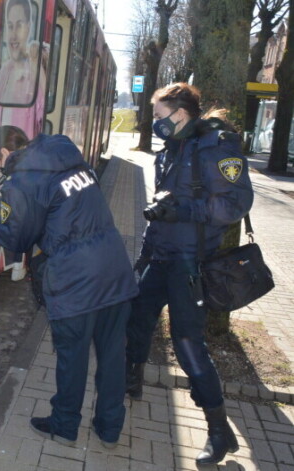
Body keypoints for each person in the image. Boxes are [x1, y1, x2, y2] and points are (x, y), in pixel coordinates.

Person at [0, 126, 138, 448]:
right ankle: (109, 427)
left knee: (72, 358)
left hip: (76, 282)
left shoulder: (25, 180)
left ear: (4, 154)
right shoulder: (71, 161)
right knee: (113, 356)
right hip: (115, 271)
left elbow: (17, 238)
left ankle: (64, 425)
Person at [125, 83, 254, 465]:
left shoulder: (216, 147)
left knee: (187, 344)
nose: (156, 123)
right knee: (136, 318)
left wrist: (183, 211)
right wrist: (143, 256)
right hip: (161, 256)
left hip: (191, 264)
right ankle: (130, 382)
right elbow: (158, 209)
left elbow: (234, 204)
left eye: (161, 116)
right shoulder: (172, 149)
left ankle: (219, 430)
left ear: (181, 113)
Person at [0, 0, 46, 136]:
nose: (13, 35)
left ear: (28, 27)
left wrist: (36, 65)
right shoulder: (5, 71)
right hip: (2, 154)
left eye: (19, 26)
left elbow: (43, 113)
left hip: (23, 155)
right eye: (10, 26)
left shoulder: (33, 72)